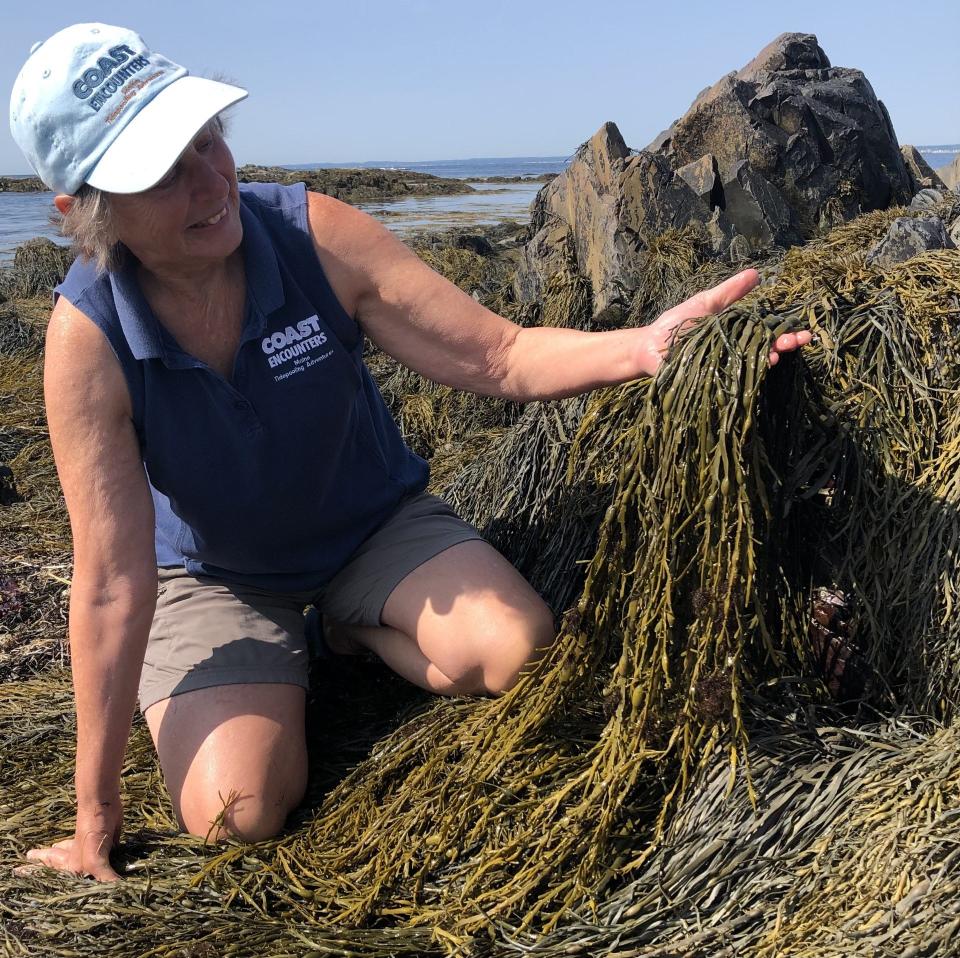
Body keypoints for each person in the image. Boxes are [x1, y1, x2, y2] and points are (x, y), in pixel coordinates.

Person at [9, 23, 809, 883]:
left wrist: (642, 347)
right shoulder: (88, 341)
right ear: (84, 212)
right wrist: (94, 821)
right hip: (216, 578)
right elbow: (111, 581)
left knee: (516, 647)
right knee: (233, 815)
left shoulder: (314, 235)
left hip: (369, 529)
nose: (211, 182)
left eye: (207, 141)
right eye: (164, 172)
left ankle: (348, 631)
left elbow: (496, 355)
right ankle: (273, 667)